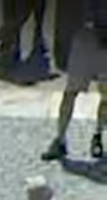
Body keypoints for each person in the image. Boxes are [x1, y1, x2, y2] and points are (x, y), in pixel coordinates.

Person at [44, 0, 107, 160]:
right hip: (86, 40)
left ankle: (98, 135)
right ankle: (60, 139)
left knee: (106, 96)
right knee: (71, 92)